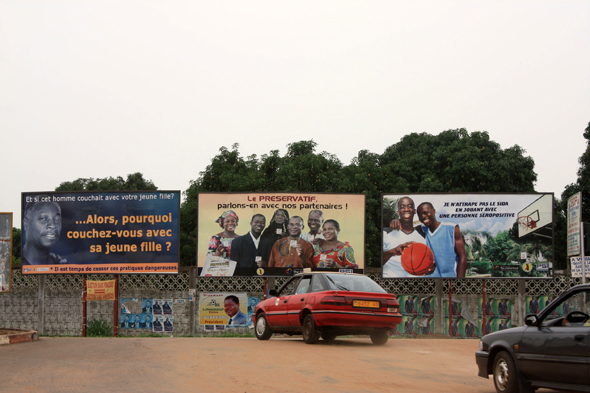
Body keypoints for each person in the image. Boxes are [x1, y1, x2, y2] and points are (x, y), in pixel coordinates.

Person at [383, 197, 433, 277]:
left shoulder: (424, 234)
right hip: (390, 280)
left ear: (414, 211)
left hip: (417, 282)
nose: (406, 209)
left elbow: (430, 262)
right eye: (402, 207)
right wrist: (392, 252)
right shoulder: (386, 233)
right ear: (398, 212)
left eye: (409, 206)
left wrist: (429, 267)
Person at [416, 202, 467, 278]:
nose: (423, 216)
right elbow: (406, 226)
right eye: (420, 215)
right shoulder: (421, 230)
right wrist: (397, 222)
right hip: (429, 281)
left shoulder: (452, 228)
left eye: (425, 213)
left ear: (433, 211)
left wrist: (459, 282)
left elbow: (462, 257)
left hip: (449, 279)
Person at [22, 199, 68, 265]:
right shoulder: (19, 263)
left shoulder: (63, 264)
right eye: (43, 218)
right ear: (26, 223)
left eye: (57, 219)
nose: (52, 225)